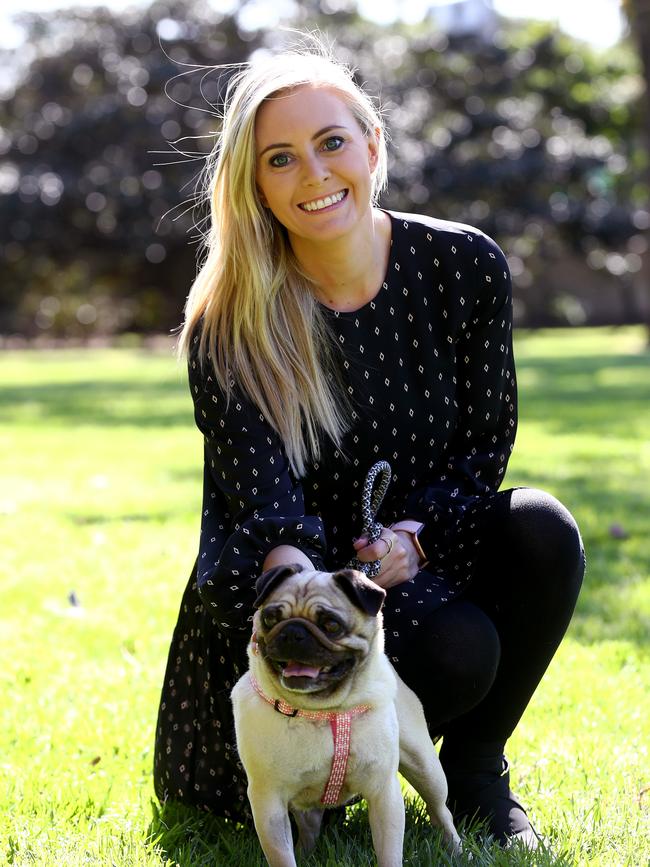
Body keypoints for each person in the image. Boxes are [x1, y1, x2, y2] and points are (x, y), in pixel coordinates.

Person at [153, 43, 585, 849]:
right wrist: (311, 614)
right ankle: (340, 764)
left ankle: (479, 769)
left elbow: (486, 440)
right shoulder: (232, 323)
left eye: (332, 142)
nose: (312, 174)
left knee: (543, 528)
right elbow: (268, 512)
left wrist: (415, 538)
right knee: (461, 650)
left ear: (373, 144)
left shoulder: (463, 266)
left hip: (425, 545)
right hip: (299, 588)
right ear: (255, 185)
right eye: (279, 158)